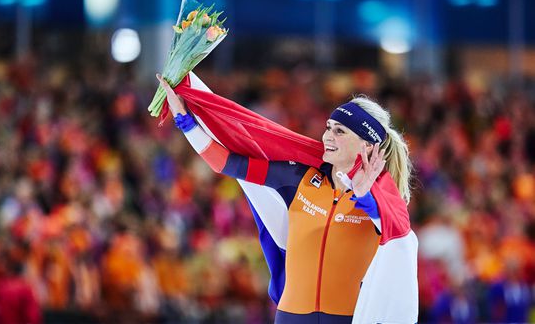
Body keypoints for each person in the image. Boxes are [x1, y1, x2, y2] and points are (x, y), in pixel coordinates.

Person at [157, 74, 416, 324]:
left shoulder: (382, 201)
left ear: (367, 145)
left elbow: (394, 233)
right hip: (290, 317)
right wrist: (185, 121)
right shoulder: (298, 177)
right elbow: (227, 164)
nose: (327, 136)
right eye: (328, 127)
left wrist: (362, 194)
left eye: (340, 131)